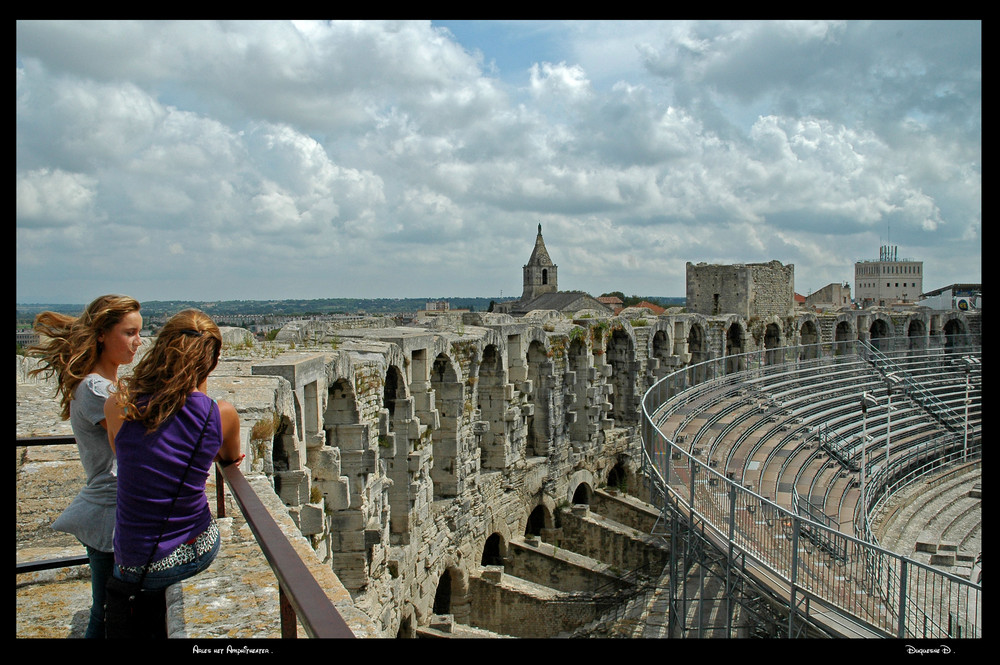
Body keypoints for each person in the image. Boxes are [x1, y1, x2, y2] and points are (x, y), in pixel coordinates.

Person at [104, 309, 242, 627]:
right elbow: (229, 456)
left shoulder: (117, 405)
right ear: (211, 362)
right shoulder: (220, 415)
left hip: (129, 560)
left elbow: (131, 458)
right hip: (185, 553)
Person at [27, 294, 144, 639]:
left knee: (109, 608)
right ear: (102, 335)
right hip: (109, 511)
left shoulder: (104, 385)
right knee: (108, 612)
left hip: (112, 508)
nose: (139, 341)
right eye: (130, 332)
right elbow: (138, 441)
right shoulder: (97, 389)